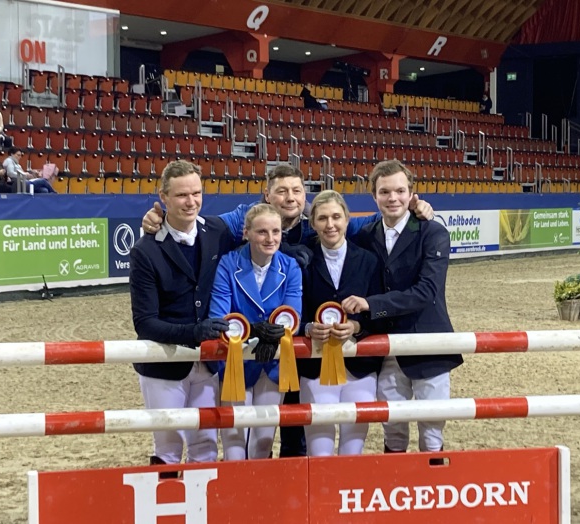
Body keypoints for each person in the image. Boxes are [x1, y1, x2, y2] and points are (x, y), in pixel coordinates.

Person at [141, 163, 435, 457]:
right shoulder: (243, 219)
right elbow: (201, 220)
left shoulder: (318, 223)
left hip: (293, 353)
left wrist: (414, 209)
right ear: (266, 196)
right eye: (282, 191)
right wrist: (162, 218)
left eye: (296, 190)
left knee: (291, 437)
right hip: (260, 354)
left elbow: (373, 219)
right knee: (239, 438)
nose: (290, 197)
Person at [342, 159, 463, 456]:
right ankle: (395, 480)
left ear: (411, 194)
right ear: (374, 196)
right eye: (384, 192)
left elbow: (426, 291)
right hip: (386, 348)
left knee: (431, 431)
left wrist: (372, 305)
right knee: (392, 429)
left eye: (399, 191)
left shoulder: (432, 232)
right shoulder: (365, 235)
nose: (392, 198)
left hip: (428, 345)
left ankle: (433, 481)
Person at [129, 160, 236, 473]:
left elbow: (262, 224)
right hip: (164, 363)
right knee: (168, 448)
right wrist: (194, 332)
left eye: (196, 193)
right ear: (163, 197)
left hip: (209, 363)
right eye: (181, 195)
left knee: (206, 443)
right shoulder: (145, 250)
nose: (191, 202)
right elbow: (145, 322)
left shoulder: (216, 230)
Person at [209, 203, 302, 461]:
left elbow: (292, 315)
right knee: (234, 443)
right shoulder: (228, 264)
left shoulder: (291, 267)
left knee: (263, 441)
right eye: (262, 232)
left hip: (272, 362)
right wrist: (252, 331)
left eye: (276, 231)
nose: (270, 238)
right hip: (234, 363)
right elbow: (218, 315)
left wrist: (276, 333)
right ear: (246, 233)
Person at [299, 190, 382, 456]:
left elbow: (379, 310)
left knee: (352, 451)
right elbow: (294, 312)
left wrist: (357, 326)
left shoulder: (368, 260)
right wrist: (308, 327)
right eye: (322, 218)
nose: (330, 224)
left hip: (360, 367)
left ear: (347, 219)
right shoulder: (303, 262)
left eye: (336, 217)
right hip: (316, 366)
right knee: (319, 450)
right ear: (313, 223)